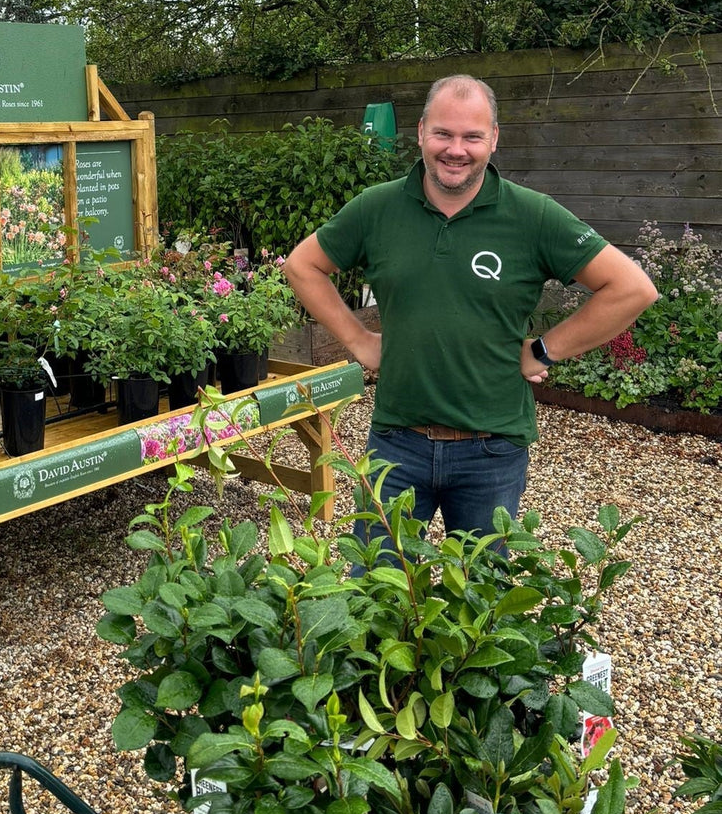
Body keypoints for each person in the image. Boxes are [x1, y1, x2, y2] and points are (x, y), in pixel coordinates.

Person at [282, 74, 658, 539]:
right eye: (443, 133)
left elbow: (632, 288)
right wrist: (358, 340)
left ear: (493, 139)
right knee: (377, 593)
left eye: (472, 136)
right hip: (396, 444)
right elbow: (302, 265)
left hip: (491, 450)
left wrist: (543, 351)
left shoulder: (532, 215)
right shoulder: (376, 209)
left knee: (484, 596)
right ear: (420, 132)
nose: (455, 149)